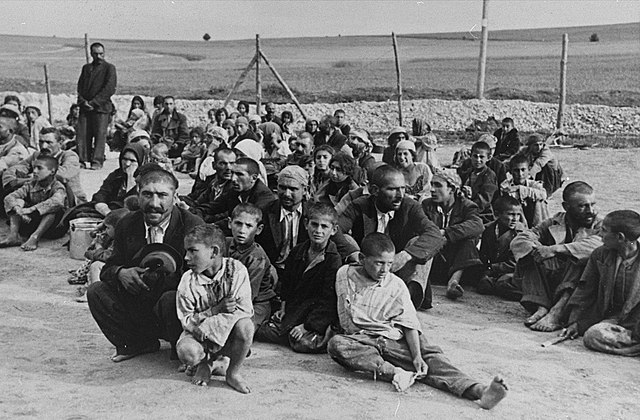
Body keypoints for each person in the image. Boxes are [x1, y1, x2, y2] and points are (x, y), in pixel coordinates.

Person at [327, 233, 508, 409]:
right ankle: (396, 373)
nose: (384, 270)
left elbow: (409, 323)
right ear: (361, 258)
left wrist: (416, 356)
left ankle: (481, 391)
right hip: (362, 340)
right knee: (336, 345)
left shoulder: (396, 285)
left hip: (394, 337)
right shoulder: (345, 275)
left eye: (389, 264)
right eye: (379, 263)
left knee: (431, 360)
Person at [86, 168, 204, 362]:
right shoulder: (127, 223)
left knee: (169, 298)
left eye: (162, 195)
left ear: (175, 197)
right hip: (140, 304)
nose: (154, 204)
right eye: (147, 194)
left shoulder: (192, 226)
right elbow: (109, 266)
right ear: (138, 194)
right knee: (96, 291)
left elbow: (203, 278)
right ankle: (136, 343)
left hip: (175, 310)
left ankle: (181, 349)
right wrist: (121, 273)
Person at [338, 165, 445, 308]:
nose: (400, 195)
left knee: (418, 242)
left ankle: (408, 301)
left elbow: (434, 234)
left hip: (399, 272)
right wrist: (356, 255)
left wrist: (406, 255)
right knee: (346, 238)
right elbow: (335, 230)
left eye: (403, 188)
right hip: (369, 269)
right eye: (392, 189)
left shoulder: (410, 206)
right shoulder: (360, 205)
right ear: (375, 190)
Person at [511, 181, 602, 332]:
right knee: (531, 255)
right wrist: (538, 250)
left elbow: (599, 245)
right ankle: (541, 306)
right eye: (583, 206)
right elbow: (522, 239)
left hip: (581, 288)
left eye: (593, 204)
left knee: (580, 259)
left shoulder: (601, 225)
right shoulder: (555, 221)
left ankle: (556, 312)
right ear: (566, 207)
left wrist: (557, 249)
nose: (591, 211)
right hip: (556, 279)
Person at [176, 224, 253, 393]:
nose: (186, 258)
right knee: (187, 352)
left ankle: (232, 373)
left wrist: (209, 325)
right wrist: (213, 311)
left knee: (246, 326)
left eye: (192, 251)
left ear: (214, 252)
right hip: (198, 334)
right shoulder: (188, 280)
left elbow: (243, 310)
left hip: (228, 333)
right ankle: (205, 364)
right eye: (186, 251)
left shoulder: (237, 271)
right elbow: (186, 319)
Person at [256, 202, 340, 353]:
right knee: (260, 329)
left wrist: (306, 326)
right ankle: (286, 330)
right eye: (314, 225)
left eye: (324, 227)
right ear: (306, 224)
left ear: (333, 230)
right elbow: (287, 284)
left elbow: (328, 301)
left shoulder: (332, 260)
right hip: (295, 308)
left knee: (302, 342)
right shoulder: (298, 251)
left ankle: (302, 332)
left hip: (315, 314)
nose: (318, 231)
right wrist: (283, 308)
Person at [562, 210, 640, 356]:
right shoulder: (600, 255)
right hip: (617, 322)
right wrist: (578, 323)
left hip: (637, 323)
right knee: (593, 335)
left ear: (620, 237)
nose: (600, 235)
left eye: (604, 231)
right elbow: (585, 291)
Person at [421, 169, 484, 301]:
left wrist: (446, 232)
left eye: (438, 185)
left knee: (469, 239)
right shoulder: (427, 205)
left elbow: (477, 225)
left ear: (452, 189)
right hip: (435, 257)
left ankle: (454, 282)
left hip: (457, 260)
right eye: (432, 185)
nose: (432, 189)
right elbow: (422, 229)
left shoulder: (467, 206)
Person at [0, 155, 68, 251]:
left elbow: (57, 202)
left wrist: (30, 209)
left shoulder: (58, 187)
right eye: (34, 168)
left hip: (54, 228)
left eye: (39, 168)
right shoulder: (31, 184)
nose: (35, 171)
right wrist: (18, 209)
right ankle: (13, 236)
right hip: (32, 221)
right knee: (18, 200)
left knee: (52, 210)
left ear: (52, 171)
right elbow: (10, 197)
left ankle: (35, 238)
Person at [226, 204, 275, 331]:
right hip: (227, 298)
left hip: (255, 303)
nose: (242, 230)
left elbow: (248, 295)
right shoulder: (224, 244)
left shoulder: (257, 257)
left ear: (258, 229)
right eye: (238, 223)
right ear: (229, 223)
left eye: (248, 226)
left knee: (239, 329)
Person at [7, 127, 85, 205]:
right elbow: (16, 168)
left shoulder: (69, 155)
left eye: (49, 142)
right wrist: (11, 180)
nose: (44, 146)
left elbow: (64, 174)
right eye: (41, 142)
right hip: (44, 200)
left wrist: (27, 179)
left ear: (60, 143)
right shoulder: (37, 155)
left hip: (71, 201)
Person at [69, 208, 130, 302]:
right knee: (93, 259)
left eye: (108, 228)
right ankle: (82, 279)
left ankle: (93, 293)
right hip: (113, 266)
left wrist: (98, 247)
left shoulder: (122, 241)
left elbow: (107, 257)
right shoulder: (112, 236)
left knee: (96, 265)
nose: (105, 230)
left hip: (121, 268)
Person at [191, 157, 275, 224]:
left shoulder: (264, 197)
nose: (233, 179)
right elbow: (213, 206)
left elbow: (243, 221)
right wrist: (196, 212)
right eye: (232, 173)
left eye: (239, 174)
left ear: (253, 177)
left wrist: (212, 225)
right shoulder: (235, 191)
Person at [76, 42, 117, 170]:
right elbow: (80, 87)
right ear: (91, 54)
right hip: (85, 108)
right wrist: (83, 102)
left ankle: (97, 161)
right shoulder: (86, 68)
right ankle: (82, 160)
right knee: (82, 134)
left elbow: (109, 89)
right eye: (95, 54)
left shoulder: (109, 68)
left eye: (101, 54)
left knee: (100, 135)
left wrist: (94, 102)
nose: (98, 56)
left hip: (101, 108)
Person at [476, 196, 526, 300]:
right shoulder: (489, 230)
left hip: (516, 272)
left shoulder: (521, 234)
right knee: (481, 281)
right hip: (495, 270)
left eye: (518, 215)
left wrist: (491, 267)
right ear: (497, 214)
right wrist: (485, 271)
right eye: (511, 214)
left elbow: (515, 263)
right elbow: (484, 255)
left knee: (503, 283)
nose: (515, 219)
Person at [91, 143, 146, 216]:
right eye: (125, 159)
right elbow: (102, 194)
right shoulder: (116, 174)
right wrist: (105, 210)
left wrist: (130, 178)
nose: (127, 164)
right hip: (110, 211)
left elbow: (133, 202)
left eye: (132, 161)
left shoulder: (145, 178)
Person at [499, 153, 549, 227]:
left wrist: (519, 188)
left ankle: (541, 227)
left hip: (534, 217)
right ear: (510, 172)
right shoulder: (506, 185)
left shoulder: (534, 185)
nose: (520, 174)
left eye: (523, 170)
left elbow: (543, 195)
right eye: (516, 170)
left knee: (539, 201)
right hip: (515, 221)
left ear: (529, 170)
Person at [459, 141, 498, 224]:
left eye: (481, 157)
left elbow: (484, 201)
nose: (478, 160)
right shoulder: (468, 172)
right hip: (466, 209)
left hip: (482, 214)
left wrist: (466, 209)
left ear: (489, 158)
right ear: (470, 156)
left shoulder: (489, 175)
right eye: (475, 156)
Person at [517, 133, 563, 197]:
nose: (539, 147)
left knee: (545, 167)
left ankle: (546, 192)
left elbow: (538, 164)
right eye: (536, 145)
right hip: (536, 173)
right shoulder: (525, 150)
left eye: (541, 144)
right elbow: (516, 159)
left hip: (551, 176)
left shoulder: (546, 152)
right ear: (530, 146)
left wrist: (528, 175)